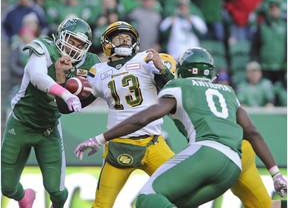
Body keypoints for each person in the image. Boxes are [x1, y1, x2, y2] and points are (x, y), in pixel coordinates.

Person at [74, 47, 287, 207]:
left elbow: (142, 119)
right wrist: (276, 174)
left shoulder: (179, 86)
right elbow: (252, 131)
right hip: (237, 158)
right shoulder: (227, 91)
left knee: (146, 199)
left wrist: (100, 138)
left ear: (182, 70)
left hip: (208, 153)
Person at [58, 21, 176, 208]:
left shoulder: (145, 58)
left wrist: (162, 69)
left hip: (154, 144)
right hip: (119, 146)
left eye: (128, 38)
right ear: (107, 43)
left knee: (183, 190)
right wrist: (63, 82)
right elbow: (68, 107)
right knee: (101, 205)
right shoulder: (98, 71)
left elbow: (174, 91)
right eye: (119, 37)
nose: (124, 40)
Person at [1, 17, 101, 208]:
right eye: (70, 41)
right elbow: (37, 76)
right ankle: (25, 199)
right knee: (8, 188)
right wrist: (66, 94)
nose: (73, 48)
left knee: (57, 192)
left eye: (79, 45)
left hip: (48, 129)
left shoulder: (90, 63)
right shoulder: (45, 48)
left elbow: (103, 85)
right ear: (60, 37)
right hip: (20, 124)